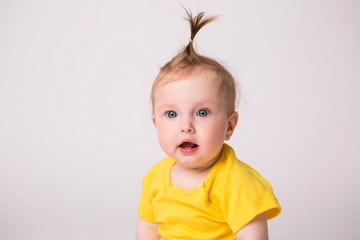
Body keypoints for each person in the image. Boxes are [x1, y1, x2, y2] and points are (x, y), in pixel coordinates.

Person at [136, 9, 281, 240]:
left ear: (229, 126)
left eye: (202, 112)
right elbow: (148, 229)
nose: (186, 126)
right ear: (156, 124)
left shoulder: (236, 181)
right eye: (171, 114)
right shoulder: (155, 178)